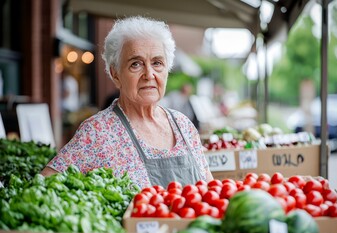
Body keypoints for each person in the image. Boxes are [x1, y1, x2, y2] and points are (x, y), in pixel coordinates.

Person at [41, 16, 213, 189]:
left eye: (157, 63)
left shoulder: (184, 126)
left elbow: (210, 188)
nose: (149, 74)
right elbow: (45, 185)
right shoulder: (97, 132)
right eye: (136, 64)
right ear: (115, 74)